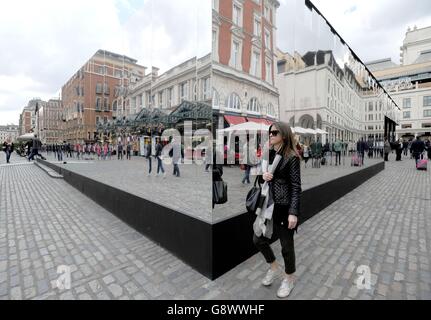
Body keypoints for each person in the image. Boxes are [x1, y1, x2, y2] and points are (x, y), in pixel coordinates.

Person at [253, 122, 301, 299]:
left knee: (286, 247)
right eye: (269, 132)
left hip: (283, 207)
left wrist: (293, 212)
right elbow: (260, 178)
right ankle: (274, 268)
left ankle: (289, 278)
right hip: (267, 206)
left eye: (274, 132)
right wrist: (262, 175)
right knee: (257, 239)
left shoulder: (291, 157)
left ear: (284, 135)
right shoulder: (268, 154)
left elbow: (296, 187)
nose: (270, 135)